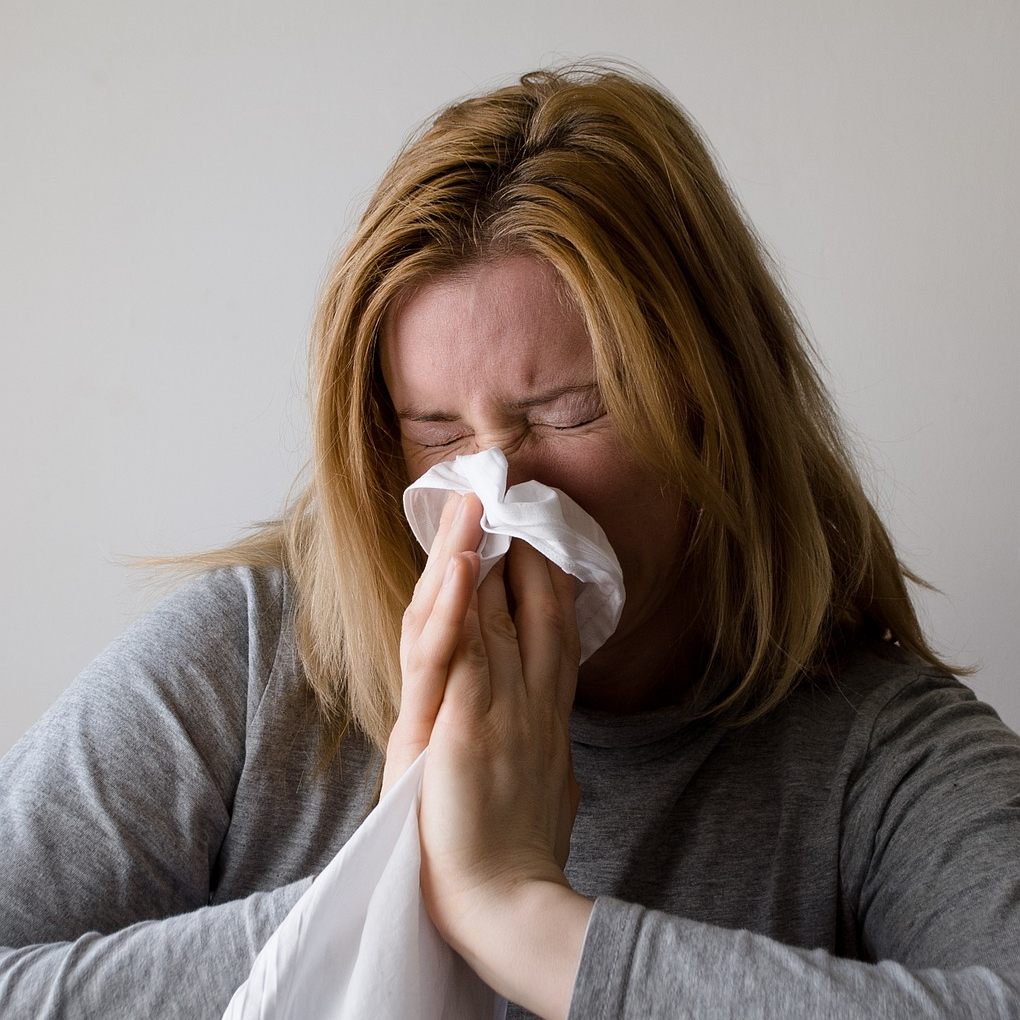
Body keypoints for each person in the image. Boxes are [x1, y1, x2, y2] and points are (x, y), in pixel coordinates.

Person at [1, 61, 1018, 1019]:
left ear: (718, 407)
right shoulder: (251, 659)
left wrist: (517, 914)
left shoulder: (875, 751)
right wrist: (383, 894)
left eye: (569, 412)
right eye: (437, 433)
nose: (494, 492)